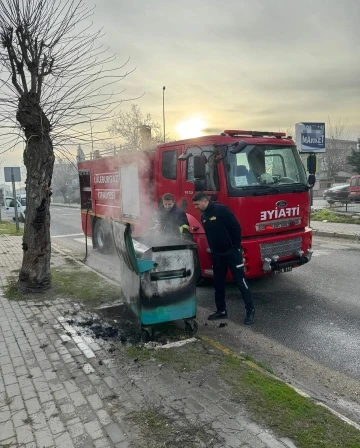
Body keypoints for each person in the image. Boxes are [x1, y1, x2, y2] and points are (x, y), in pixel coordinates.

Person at [192, 192, 255, 325]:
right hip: (217, 255)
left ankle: (250, 310)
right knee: (218, 283)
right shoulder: (203, 216)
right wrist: (213, 250)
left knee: (240, 282)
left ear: (204, 201)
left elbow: (236, 228)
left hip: (232, 253)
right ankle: (221, 310)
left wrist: (235, 247)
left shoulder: (221, 210)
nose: (196, 207)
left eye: (197, 204)